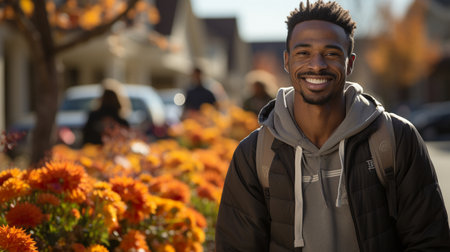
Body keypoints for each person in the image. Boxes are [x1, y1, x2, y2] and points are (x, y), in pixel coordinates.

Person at [215, 1, 450, 251]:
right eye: (303, 53)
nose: (317, 65)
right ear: (287, 61)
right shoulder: (254, 154)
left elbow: (429, 242)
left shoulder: (396, 139)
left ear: (349, 63)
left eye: (331, 53)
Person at [82, 79, 130, 145]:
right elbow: (127, 140)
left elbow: (85, 137)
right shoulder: (121, 119)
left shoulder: (94, 116)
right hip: (114, 151)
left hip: (94, 151)